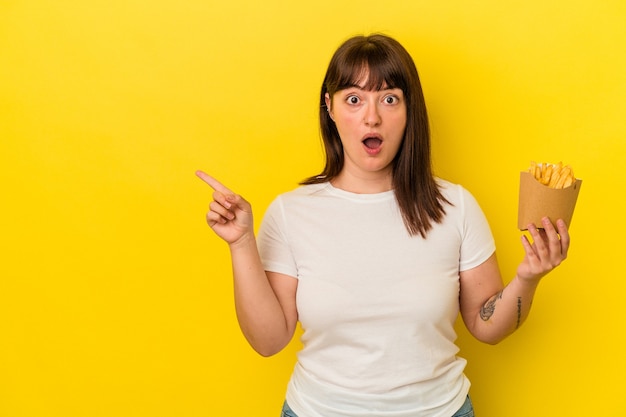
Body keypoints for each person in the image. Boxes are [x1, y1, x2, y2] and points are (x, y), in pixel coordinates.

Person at [196, 34, 570, 417]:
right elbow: (269, 341)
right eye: (354, 99)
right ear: (330, 107)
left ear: (409, 110)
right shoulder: (291, 213)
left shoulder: (455, 206)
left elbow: (487, 326)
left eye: (389, 98)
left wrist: (528, 277)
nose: (371, 116)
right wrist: (241, 243)